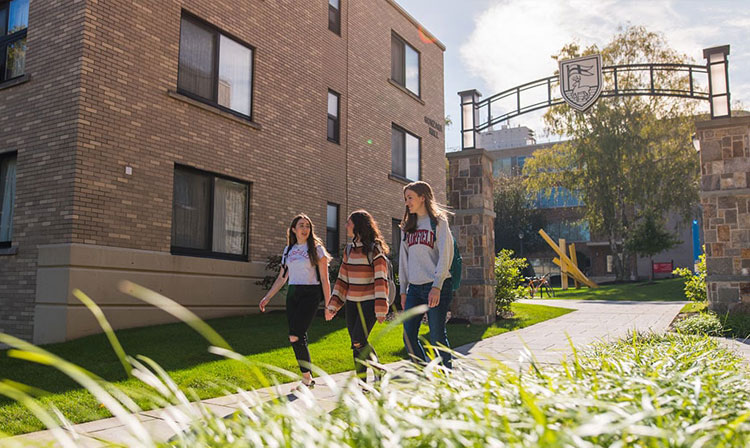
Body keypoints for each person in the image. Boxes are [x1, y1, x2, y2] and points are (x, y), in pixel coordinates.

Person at [259, 214, 331, 388]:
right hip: (293, 294)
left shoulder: (316, 249)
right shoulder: (288, 251)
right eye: (301, 225)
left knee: (295, 335)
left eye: (307, 226)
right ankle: (307, 378)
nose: (305, 229)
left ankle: (306, 377)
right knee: (299, 336)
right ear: (293, 229)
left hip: (310, 293)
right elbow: (282, 278)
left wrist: (330, 305)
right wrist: (267, 297)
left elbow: (324, 278)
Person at [326, 210, 389, 383]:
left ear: (358, 225)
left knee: (359, 340)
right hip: (352, 304)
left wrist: (381, 308)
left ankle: (377, 370)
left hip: (368, 303)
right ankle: (363, 384)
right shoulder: (349, 249)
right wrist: (333, 305)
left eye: (348, 222)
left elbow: (380, 279)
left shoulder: (375, 249)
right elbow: (342, 279)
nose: (346, 226)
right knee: (356, 345)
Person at [399, 181, 455, 368]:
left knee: (437, 335)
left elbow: (446, 255)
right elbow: (404, 260)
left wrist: (437, 286)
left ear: (423, 198)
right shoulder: (407, 227)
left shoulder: (439, 222)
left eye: (410, 198)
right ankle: (424, 375)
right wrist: (403, 290)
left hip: (437, 286)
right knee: (408, 336)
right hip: (414, 288)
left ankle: (447, 381)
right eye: (406, 198)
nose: (407, 202)